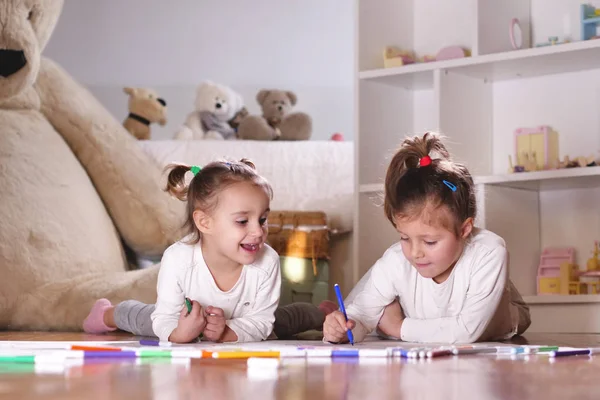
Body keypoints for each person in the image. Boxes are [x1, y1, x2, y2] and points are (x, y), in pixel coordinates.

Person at [83, 159, 336, 343]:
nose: (258, 232)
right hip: (184, 319)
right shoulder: (178, 258)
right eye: (242, 221)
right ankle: (107, 313)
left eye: (262, 219)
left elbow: (261, 321)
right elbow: (165, 317)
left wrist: (227, 332)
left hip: (244, 321)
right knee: (143, 318)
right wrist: (181, 333)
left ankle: (321, 312)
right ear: (205, 223)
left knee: (288, 319)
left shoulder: (266, 260)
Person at [324, 132, 531, 344]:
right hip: (428, 315)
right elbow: (360, 316)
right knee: (381, 276)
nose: (415, 253)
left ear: (464, 229)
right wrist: (341, 328)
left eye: (430, 242)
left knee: (510, 311)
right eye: (404, 237)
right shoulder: (397, 258)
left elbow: (465, 331)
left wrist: (398, 327)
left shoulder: (488, 252)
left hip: (501, 313)